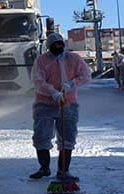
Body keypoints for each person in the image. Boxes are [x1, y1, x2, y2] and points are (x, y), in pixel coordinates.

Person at [29, 33, 92, 181]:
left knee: (67, 136)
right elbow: (37, 80)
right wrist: (53, 92)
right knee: (41, 136)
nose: (58, 47)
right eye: (54, 45)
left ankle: (63, 170)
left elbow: (85, 75)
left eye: (60, 44)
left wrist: (71, 84)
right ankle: (44, 167)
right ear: (49, 47)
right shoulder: (41, 60)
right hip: (44, 104)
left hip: (68, 103)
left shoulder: (74, 59)